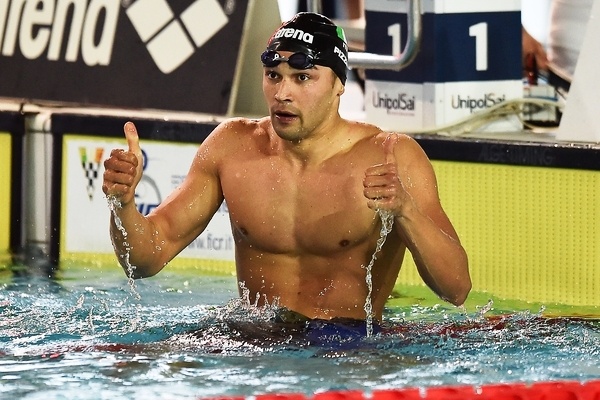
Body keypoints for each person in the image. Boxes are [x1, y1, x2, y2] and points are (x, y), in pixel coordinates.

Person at [102, 12, 471, 327]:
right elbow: (145, 260)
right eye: (273, 75)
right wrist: (124, 205)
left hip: (346, 346)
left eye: (303, 77)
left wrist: (406, 210)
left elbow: (456, 288)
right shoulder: (232, 146)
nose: (282, 93)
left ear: (339, 84)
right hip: (252, 338)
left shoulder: (392, 155)